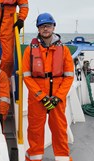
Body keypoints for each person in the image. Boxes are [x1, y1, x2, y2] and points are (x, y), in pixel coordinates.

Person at [22, 13, 74, 161]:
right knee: (35, 132)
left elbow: (69, 76)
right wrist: (41, 96)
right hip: (37, 99)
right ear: (38, 29)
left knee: (59, 132)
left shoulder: (63, 50)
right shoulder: (29, 51)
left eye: (48, 25)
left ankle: (63, 158)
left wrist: (58, 97)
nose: (45, 28)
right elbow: (27, 77)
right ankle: (33, 159)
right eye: (42, 26)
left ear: (53, 27)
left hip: (57, 98)